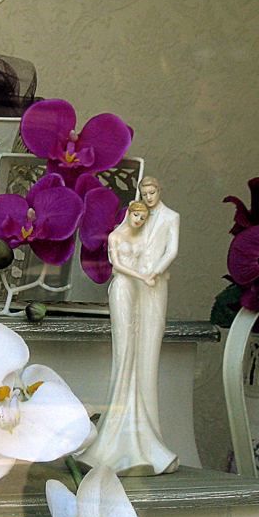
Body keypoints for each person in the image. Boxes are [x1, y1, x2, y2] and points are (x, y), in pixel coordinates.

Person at [78, 184, 179, 476]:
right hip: (125, 287)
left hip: (143, 290)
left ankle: (138, 434)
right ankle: (114, 435)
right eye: (136, 215)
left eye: (143, 218)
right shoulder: (115, 236)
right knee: (124, 355)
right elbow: (118, 267)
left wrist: (154, 274)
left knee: (138, 355)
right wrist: (144, 276)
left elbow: (170, 250)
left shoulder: (164, 221)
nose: (139, 220)